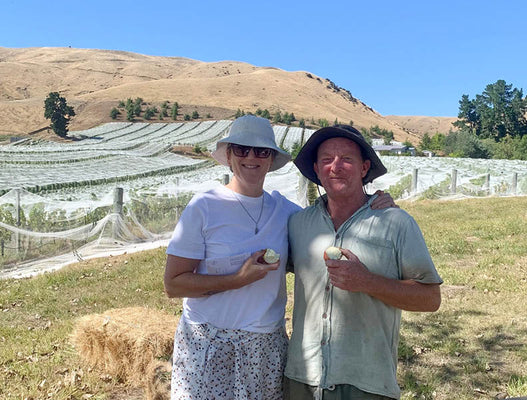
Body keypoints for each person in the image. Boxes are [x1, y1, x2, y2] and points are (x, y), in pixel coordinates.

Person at [164, 116, 395, 400]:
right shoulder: (204, 207)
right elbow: (174, 284)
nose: (251, 157)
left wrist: (373, 202)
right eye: (241, 149)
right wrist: (237, 280)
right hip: (209, 345)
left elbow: (328, 216)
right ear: (228, 155)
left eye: (261, 151)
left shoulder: (286, 212)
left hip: (264, 348)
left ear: (271, 158)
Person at [284, 124, 443, 400]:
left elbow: (430, 299)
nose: (336, 167)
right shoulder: (297, 224)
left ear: (364, 167)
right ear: (317, 170)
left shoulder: (396, 223)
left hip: (367, 384)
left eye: (347, 159)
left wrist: (367, 282)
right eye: (326, 160)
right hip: (302, 380)